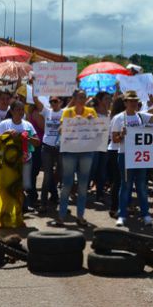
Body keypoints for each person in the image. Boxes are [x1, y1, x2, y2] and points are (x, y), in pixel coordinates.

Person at [111, 90, 152, 227]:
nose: (133, 103)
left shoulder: (141, 116)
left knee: (141, 186)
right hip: (125, 155)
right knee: (126, 186)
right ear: (125, 102)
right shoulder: (118, 118)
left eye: (135, 101)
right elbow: (114, 140)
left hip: (140, 156)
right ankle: (122, 214)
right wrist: (121, 135)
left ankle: (145, 214)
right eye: (131, 101)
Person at [55, 91, 94, 226]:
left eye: (84, 97)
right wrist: (73, 122)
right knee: (67, 184)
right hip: (70, 152)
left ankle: (80, 216)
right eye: (80, 97)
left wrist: (91, 122)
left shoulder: (91, 112)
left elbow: (97, 130)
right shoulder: (68, 112)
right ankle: (61, 216)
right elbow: (60, 130)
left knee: (83, 186)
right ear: (74, 98)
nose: (82, 99)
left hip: (86, 152)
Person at [0, 100, 40, 214]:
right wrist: (6, 133)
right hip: (8, 162)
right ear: (11, 111)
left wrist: (27, 138)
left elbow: (37, 142)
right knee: (8, 185)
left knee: (23, 186)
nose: (20, 112)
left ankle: (19, 210)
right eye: (17, 109)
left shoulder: (28, 125)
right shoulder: (5, 124)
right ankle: (8, 209)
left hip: (26, 160)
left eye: (22, 109)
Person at [36, 95, 63, 213]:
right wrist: (35, 87)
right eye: (51, 101)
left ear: (60, 102)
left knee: (59, 174)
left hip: (60, 147)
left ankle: (55, 196)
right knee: (47, 175)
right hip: (47, 146)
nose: (53, 103)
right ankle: (43, 203)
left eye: (55, 101)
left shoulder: (65, 112)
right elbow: (36, 100)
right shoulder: (47, 111)